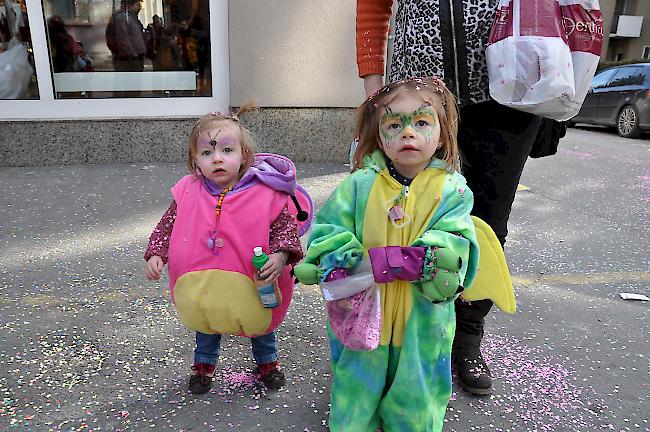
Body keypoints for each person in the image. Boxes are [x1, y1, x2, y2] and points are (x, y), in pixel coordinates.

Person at [356, 0, 544, 395]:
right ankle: (414, 328)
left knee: (487, 222)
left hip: (507, 90)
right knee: (414, 217)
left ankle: (468, 336)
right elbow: (372, 7)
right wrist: (375, 93)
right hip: (420, 99)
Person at [295, 77, 480, 431]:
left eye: (422, 123)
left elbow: (458, 241)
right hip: (363, 308)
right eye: (395, 124)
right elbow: (329, 229)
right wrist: (336, 263)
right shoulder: (359, 185)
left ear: (442, 135)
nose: (408, 133)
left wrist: (416, 259)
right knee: (357, 378)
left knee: (417, 386)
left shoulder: (453, 190)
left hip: (421, 318)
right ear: (380, 136)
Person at [143, 104, 306, 394]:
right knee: (207, 318)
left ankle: (267, 361)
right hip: (202, 277)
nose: (217, 158)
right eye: (207, 153)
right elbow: (167, 224)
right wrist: (157, 253)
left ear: (244, 154)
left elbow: (285, 229)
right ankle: (203, 365)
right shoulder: (188, 191)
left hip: (254, 278)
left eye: (226, 151)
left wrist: (281, 257)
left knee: (260, 321)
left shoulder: (266, 194)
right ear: (195, 159)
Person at [107, 0, 146, 72]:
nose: (140, 7)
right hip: (128, 60)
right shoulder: (122, 18)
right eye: (138, 4)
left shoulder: (132, 17)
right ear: (130, 5)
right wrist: (133, 55)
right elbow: (123, 39)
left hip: (134, 58)